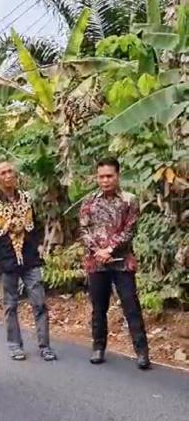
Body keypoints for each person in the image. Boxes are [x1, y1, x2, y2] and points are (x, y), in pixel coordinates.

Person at [0, 161, 57, 362]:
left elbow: (37, 223)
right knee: (10, 304)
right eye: (3, 173)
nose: (8, 175)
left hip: (30, 258)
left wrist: (39, 244)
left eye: (10, 171)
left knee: (39, 302)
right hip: (6, 259)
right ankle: (15, 345)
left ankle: (45, 346)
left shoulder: (28, 199)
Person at [79, 157, 150, 369]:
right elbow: (83, 230)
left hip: (122, 262)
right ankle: (98, 347)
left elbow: (130, 229)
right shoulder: (89, 202)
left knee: (131, 306)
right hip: (96, 262)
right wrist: (98, 251)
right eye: (101, 177)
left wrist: (110, 249)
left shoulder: (129, 200)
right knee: (98, 308)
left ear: (117, 175)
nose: (105, 180)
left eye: (109, 176)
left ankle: (142, 352)